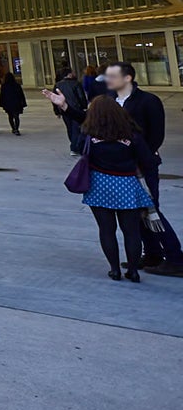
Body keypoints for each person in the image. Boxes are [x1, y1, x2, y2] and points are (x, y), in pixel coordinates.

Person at [53, 63, 183, 275]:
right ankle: (152, 254)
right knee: (134, 215)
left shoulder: (148, 101)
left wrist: (139, 157)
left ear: (128, 78)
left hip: (141, 168)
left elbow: (156, 135)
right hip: (121, 170)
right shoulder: (111, 100)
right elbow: (91, 121)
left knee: (151, 212)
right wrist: (66, 107)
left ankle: (176, 258)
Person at [75, 95, 158, 281]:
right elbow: (147, 160)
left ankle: (114, 269)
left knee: (106, 230)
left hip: (99, 185)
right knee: (131, 231)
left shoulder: (89, 134)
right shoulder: (132, 134)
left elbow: (81, 151)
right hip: (127, 184)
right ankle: (134, 270)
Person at [51, 65, 88, 156]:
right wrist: (84, 107)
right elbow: (81, 97)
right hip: (76, 109)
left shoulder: (58, 85)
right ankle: (74, 147)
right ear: (69, 74)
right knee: (76, 128)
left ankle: (73, 144)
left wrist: (57, 111)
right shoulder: (76, 83)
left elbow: (54, 99)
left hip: (64, 109)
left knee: (70, 128)